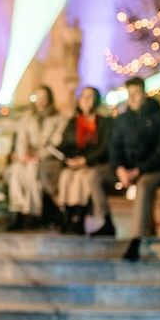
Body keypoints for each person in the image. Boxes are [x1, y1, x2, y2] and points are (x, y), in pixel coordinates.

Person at [109, 77, 160, 261]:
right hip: (127, 170)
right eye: (129, 94)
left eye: (136, 93)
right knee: (94, 177)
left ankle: (135, 240)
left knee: (144, 187)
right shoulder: (123, 120)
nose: (132, 98)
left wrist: (138, 170)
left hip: (154, 170)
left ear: (145, 94)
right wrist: (119, 169)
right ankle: (99, 223)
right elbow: (114, 148)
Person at [56, 86, 115, 236]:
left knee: (81, 178)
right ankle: (68, 215)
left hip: (94, 162)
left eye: (90, 97)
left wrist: (85, 160)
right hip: (74, 162)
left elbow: (104, 146)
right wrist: (69, 159)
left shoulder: (105, 122)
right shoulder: (73, 122)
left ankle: (79, 216)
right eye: (84, 97)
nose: (87, 100)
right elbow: (65, 144)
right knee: (66, 177)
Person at [6, 85, 65, 230]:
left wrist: (38, 156)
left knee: (32, 170)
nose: (41, 101)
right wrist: (23, 156)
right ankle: (17, 209)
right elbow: (21, 140)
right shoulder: (27, 118)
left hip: (48, 159)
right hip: (29, 158)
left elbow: (56, 142)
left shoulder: (58, 118)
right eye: (38, 97)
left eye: (44, 98)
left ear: (49, 99)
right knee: (16, 170)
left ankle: (31, 212)